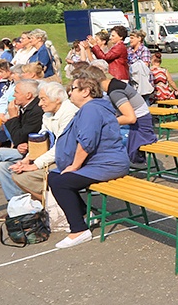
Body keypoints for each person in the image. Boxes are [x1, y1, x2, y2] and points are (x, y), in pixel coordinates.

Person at [48, 75, 129, 249]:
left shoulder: (91, 109)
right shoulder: (92, 108)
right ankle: (85, 216)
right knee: (54, 177)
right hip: (99, 163)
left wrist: (74, 166)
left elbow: (87, 141)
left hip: (109, 164)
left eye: (73, 89)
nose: (69, 93)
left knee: (62, 182)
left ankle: (79, 230)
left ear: (86, 92)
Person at [6, 82, 79, 202]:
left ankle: (65, 207)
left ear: (57, 99)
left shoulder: (70, 112)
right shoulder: (48, 113)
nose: (40, 104)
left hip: (71, 158)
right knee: (11, 171)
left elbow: (61, 146)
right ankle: (50, 207)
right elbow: (39, 141)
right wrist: (25, 161)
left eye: (43, 99)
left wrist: (34, 165)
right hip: (56, 156)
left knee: (23, 177)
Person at [0, 80, 43, 207]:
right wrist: (21, 141)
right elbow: (20, 136)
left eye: (16, 92)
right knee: (3, 166)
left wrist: (13, 118)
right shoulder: (25, 107)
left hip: (36, 153)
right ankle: (18, 207)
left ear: (28, 95)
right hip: (25, 149)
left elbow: (20, 136)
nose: (13, 96)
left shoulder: (36, 110)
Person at [79, 64, 156, 165]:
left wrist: (105, 122)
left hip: (140, 129)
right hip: (138, 124)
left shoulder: (115, 92)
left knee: (103, 140)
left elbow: (130, 118)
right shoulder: (114, 84)